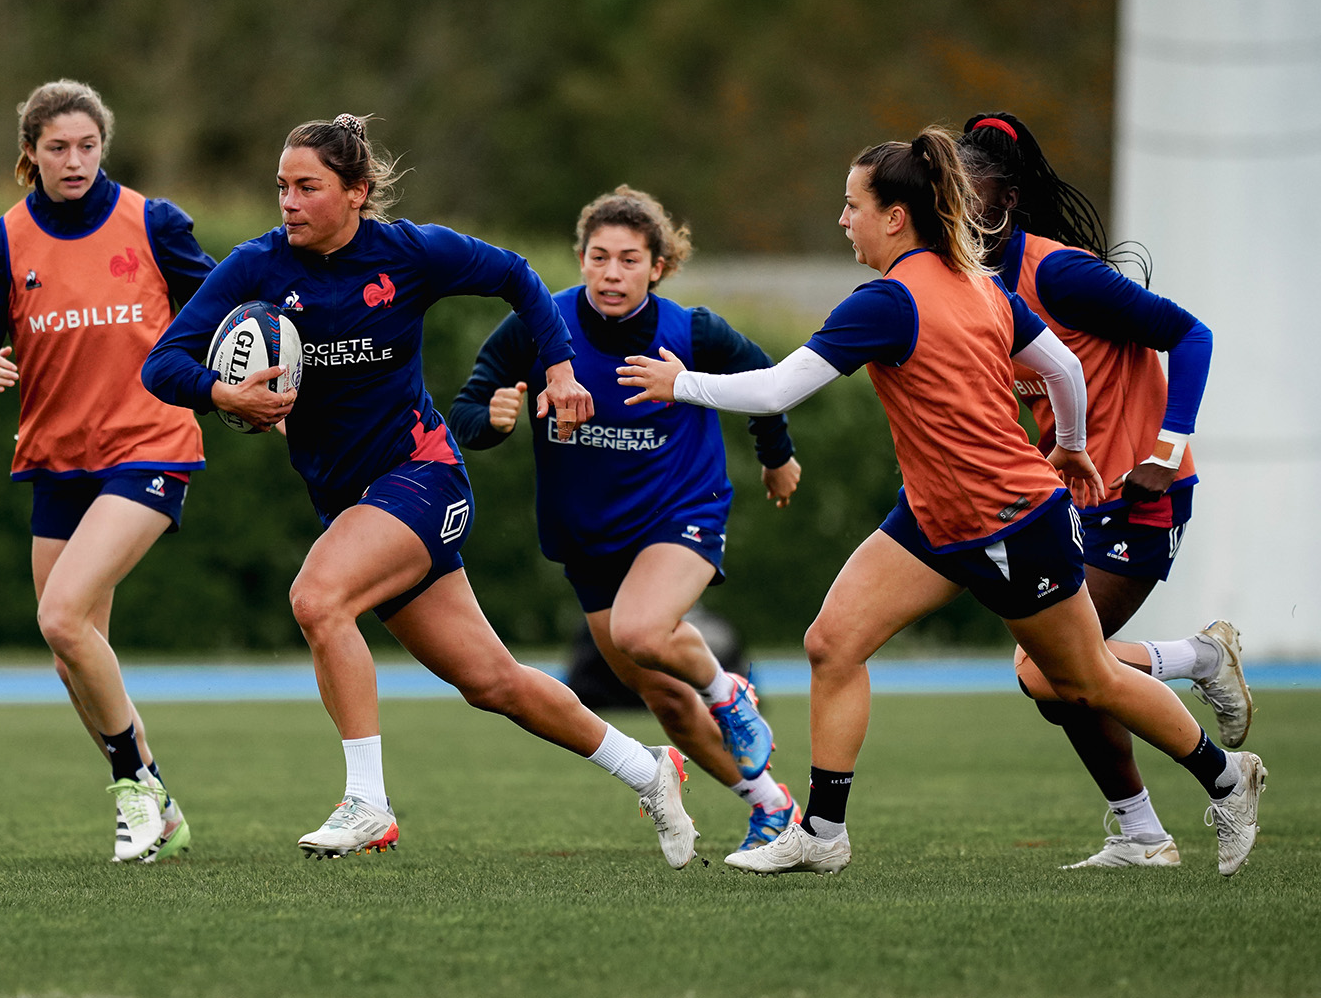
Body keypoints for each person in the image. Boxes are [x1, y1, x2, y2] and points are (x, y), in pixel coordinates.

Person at [619, 127, 1266, 877]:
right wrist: (1072, 445)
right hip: (933, 514)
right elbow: (1059, 365)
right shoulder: (980, 283)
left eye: (852, 205)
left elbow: (777, 387)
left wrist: (680, 385)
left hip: (1007, 522)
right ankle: (822, 836)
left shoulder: (890, 303)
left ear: (896, 217)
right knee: (832, 642)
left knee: (1084, 679)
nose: (842, 220)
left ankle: (1228, 778)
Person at [144, 115, 698, 866]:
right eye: (282, 186)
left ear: (356, 193)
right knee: (493, 682)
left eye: (308, 187)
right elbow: (162, 363)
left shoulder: (408, 253)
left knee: (318, 597)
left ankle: (367, 801)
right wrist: (222, 393)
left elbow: (516, 275)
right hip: (354, 505)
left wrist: (560, 366)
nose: (289, 202)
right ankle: (649, 770)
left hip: (424, 478)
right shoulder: (257, 268)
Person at [448, 186, 802, 852]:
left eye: (630, 260)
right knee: (667, 703)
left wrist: (776, 458)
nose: (613, 273)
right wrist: (490, 421)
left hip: (682, 513)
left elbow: (765, 381)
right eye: (600, 257)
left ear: (658, 267)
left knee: (643, 629)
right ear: (580, 259)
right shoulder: (536, 324)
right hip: (590, 540)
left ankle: (730, 694)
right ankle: (773, 805)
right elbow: (470, 406)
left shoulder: (692, 331)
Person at [960, 111, 1251, 869]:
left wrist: (1165, 449)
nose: (952, 204)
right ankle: (1142, 835)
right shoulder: (972, 286)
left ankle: (1197, 662)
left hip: (1139, 495)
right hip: (1073, 503)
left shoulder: (1057, 272)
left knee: (1049, 669)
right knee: (1060, 686)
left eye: (968, 190)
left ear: (1006, 201)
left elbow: (1193, 335)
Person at [0, 79, 215, 863]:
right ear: (30, 153)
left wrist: (249, 374)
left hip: (151, 447)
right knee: (76, 652)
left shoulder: (152, 222)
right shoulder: (4, 239)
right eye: (57, 147)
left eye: (87, 146)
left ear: (105, 146)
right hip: (58, 461)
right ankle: (155, 798)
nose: (74, 161)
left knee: (59, 618)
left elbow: (224, 310)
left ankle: (133, 789)